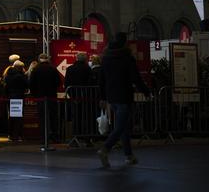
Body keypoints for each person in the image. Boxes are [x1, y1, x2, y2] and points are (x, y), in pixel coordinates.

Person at [98, 32, 151, 168]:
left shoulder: (106, 58)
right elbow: (136, 78)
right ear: (124, 42)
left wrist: (103, 97)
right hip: (124, 95)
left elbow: (101, 80)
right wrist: (146, 92)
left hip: (111, 96)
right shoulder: (127, 58)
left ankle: (129, 155)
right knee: (121, 126)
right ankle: (105, 149)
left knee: (124, 126)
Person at [29, 53, 61, 144]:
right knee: (53, 117)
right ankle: (55, 137)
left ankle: (44, 137)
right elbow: (58, 82)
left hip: (40, 97)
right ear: (47, 59)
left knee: (42, 117)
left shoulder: (36, 69)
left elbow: (31, 83)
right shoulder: (53, 69)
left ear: (39, 59)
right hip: (52, 96)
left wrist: (35, 94)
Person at [64, 53, 92, 141]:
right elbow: (90, 82)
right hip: (86, 97)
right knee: (87, 117)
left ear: (76, 59)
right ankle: (87, 137)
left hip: (74, 96)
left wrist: (72, 95)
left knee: (76, 117)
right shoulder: (87, 69)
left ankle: (76, 136)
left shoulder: (70, 69)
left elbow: (67, 83)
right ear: (85, 59)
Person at [5, 60, 28, 142]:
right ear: (20, 68)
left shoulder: (8, 75)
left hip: (10, 98)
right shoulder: (20, 76)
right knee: (19, 117)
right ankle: (17, 135)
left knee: (12, 117)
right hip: (19, 97)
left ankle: (10, 134)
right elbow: (27, 84)